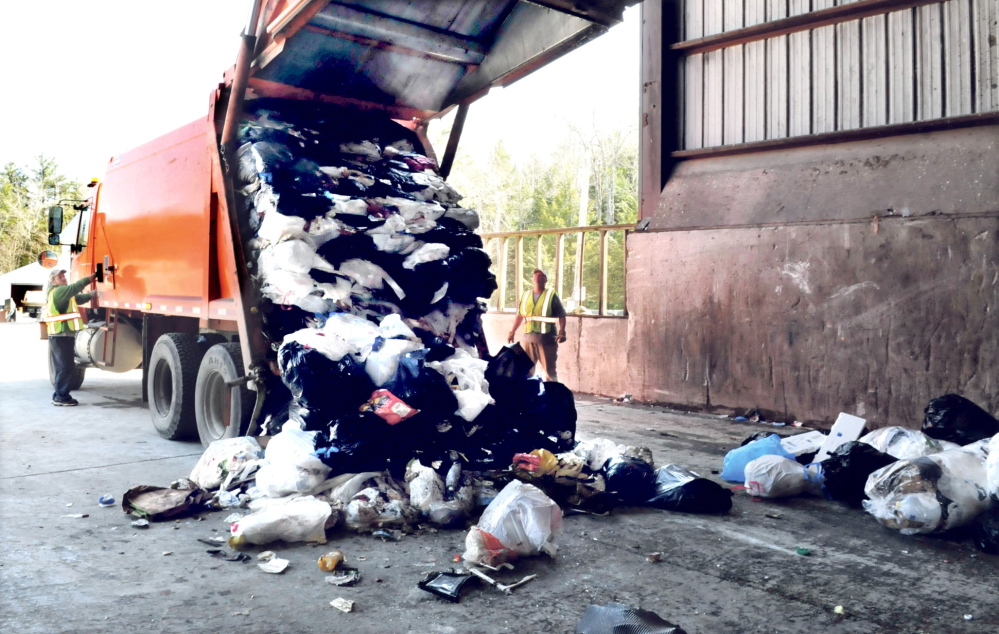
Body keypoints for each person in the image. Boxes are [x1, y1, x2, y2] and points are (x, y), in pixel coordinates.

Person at [44, 269, 97, 406]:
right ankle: (62, 397)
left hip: (60, 335)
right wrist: (90, 278)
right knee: (65, 366)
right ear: (52, 281)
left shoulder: (62, 294)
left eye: (64, 276)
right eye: (59, 277)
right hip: (61, 335)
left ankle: (58, 395)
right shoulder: (59, 291)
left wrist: (93, 294)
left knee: (62, 366)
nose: (63, 279)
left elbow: (79, 298)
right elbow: (75, 287)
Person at [507, 268, 567, 382]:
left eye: (541, 275)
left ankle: (553, 396)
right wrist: (512, 331)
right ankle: (528, 396)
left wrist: (562, 331)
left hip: (546, 338)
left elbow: (562, 314)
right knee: (526, 369)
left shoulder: (551, 295)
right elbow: (520, 315)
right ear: (532, 279)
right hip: (528, 338)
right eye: (535, 275)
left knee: (549, 371)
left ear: (545, 279)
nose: (537, 277)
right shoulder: (525, 295)